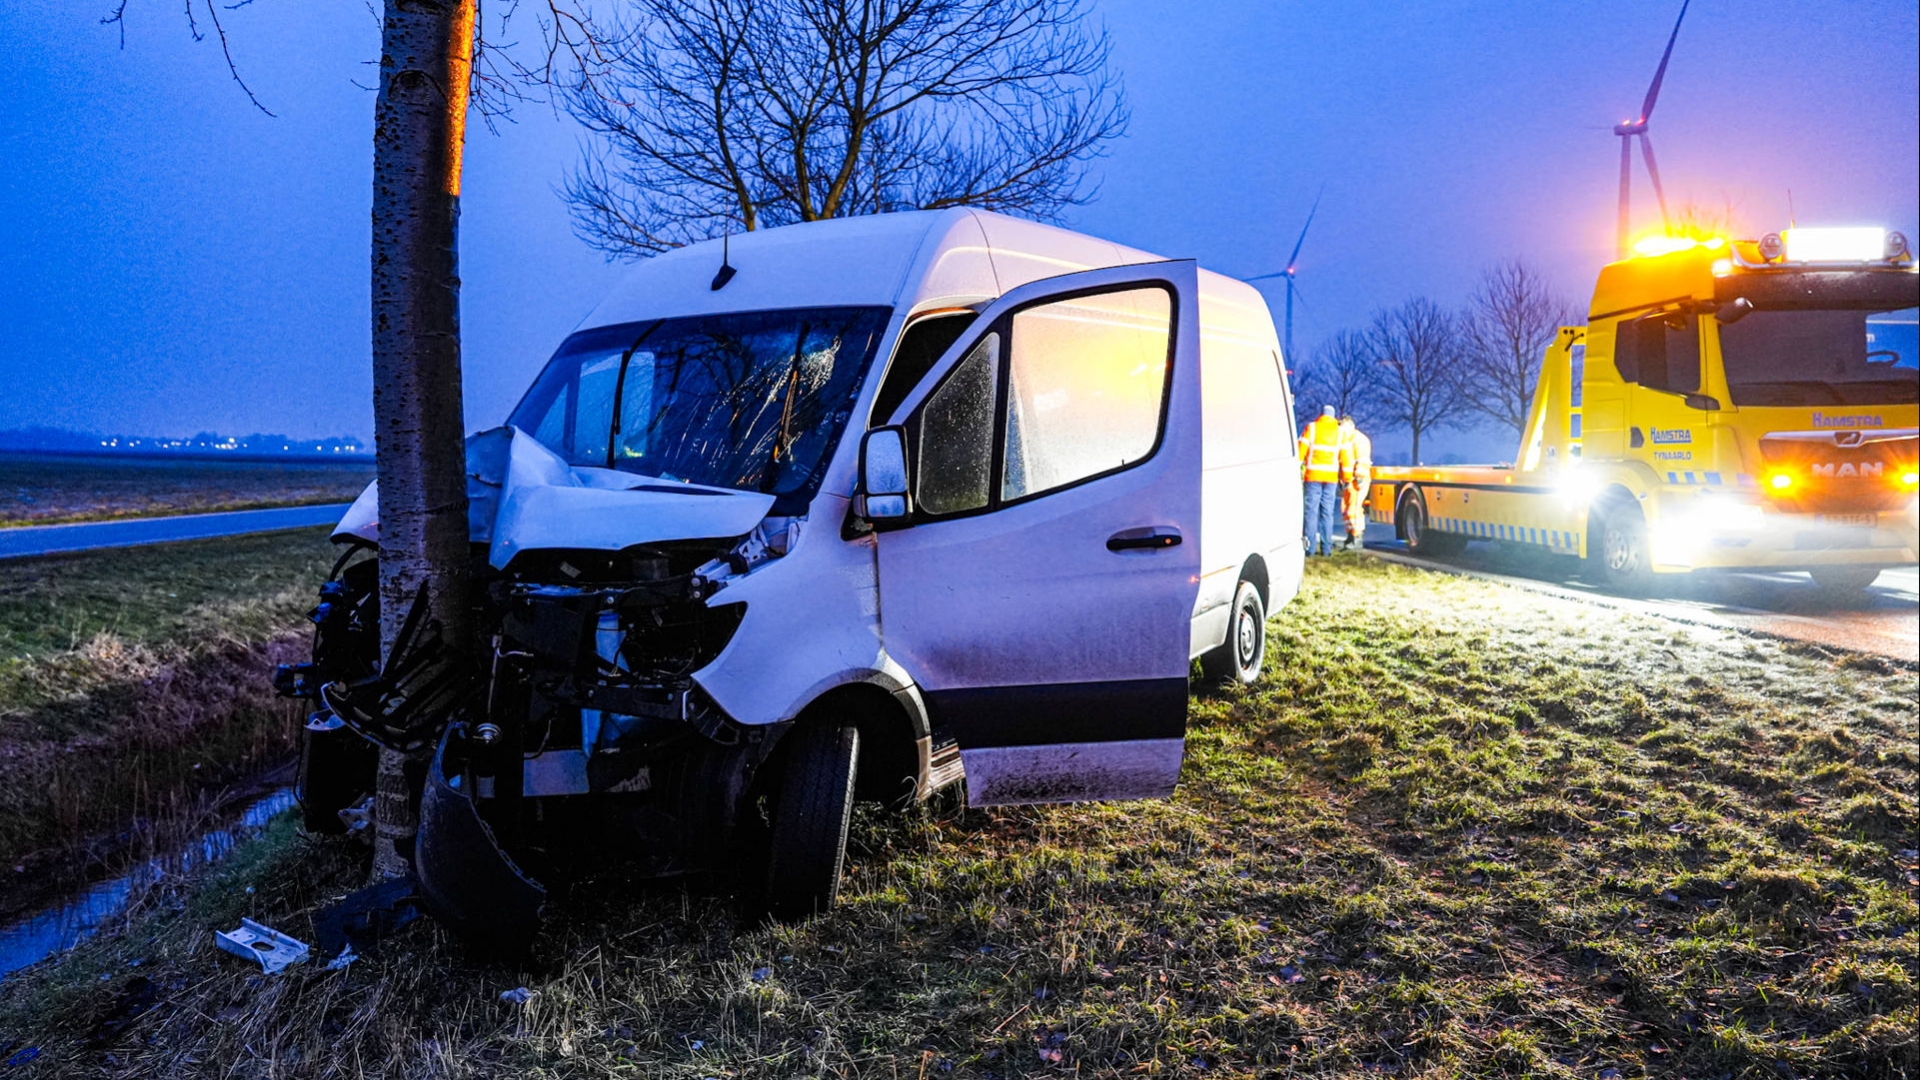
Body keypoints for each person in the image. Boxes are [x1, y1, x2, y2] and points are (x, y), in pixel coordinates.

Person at [1297, 405, 1350, 556]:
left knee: (1311, 513)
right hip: (1331, 479)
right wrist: (1346, 478)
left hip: (1313, 477)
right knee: (1327, 514)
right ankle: (1326, 550)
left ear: (1321, 414)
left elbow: (1300, 452)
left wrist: (1296, 471)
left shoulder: (1312, 428)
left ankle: (1309, 549)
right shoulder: (1340, 433)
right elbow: (1346, 458)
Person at [1339, 415, 1372, 550]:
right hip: (1349, 480)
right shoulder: (1347, 440)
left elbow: (1362, 460)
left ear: (1351, 426)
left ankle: (1357, 538)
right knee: (1346, 509)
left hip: (1357, 480)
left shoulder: (1359, 440)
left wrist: (1359, 478)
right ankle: (1351, 536)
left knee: (1354, 508)